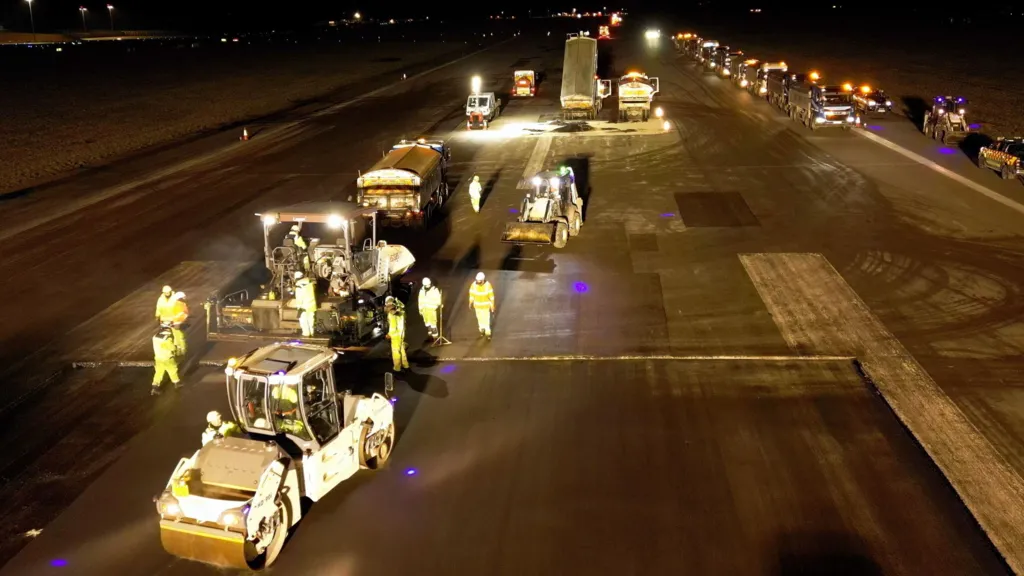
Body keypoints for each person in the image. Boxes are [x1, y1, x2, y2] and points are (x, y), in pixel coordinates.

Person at [152, 327, 181, 395]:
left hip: (158, 358)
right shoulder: (167, 339)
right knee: (172, 370)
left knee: (159, 372)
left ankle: (155, 387)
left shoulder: (155, 337)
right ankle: (176, 383)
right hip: (167, 358)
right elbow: (172, 348)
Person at [386, 296, 410, 372]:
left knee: (396, 352)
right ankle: (405, 365)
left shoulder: (392, 314)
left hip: (395, 335)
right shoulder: (401, 311)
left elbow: (393, 326)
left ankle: (397, 368)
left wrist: (389, 334)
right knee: (402, 350)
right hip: (401, 333)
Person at [468, 272, 495, 340]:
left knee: (486, 320)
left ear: (483, 280)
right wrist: (470, 302)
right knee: (480, 319)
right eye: (477, 281)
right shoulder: (474, 285)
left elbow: (491, 297)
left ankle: (488, 334)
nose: (478, 282)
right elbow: (472, 294)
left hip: (485, 306)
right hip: (477, 306)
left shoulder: (488, 285)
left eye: (479, 281)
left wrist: (492, 305)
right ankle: (482, 330)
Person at [294, 271, 317, 337]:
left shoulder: (299, 286)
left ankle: (306, 334)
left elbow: (299, 298)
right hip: (311, 306)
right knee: (311, 321)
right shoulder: (310, 283)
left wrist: (299, 308)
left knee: (304, 321)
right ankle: (312, 334)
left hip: (303, 307)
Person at [169, 291, 189, 356]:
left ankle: (177, 352)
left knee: (176, 338)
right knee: (181, 338)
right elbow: (185, 314)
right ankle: (183, 352)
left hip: (174, 324)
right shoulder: (182, 305)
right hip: (179, 324)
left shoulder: (173, 304)